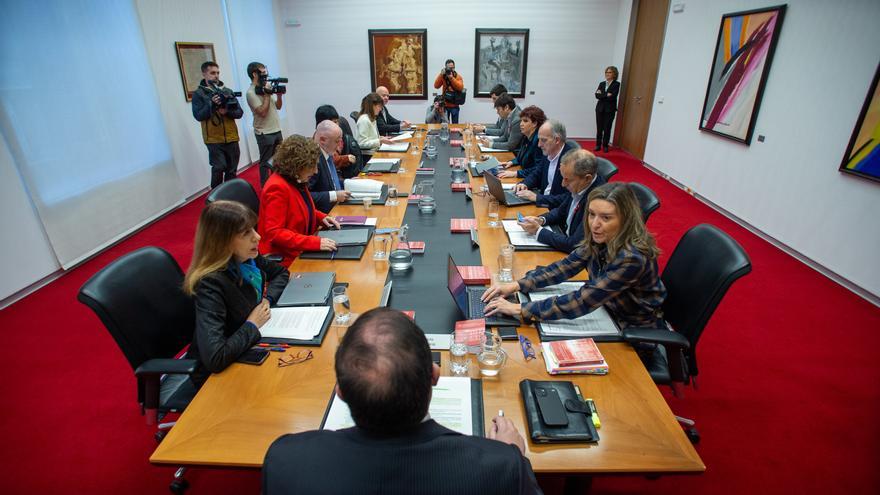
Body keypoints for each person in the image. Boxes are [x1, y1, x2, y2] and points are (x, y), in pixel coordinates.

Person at [263, 307, 542, 495]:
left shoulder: (284, 459)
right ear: (435, 375)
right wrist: (515, 458)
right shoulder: (502, 467)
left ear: (340, 392)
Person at [482, 182, 666, 329]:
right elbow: (563, 268)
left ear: (626, 219)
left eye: (606, 217)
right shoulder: (602, 238)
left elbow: (583, 300)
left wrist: (519, 308)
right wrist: (515, 285)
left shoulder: (631, 258)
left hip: (630, 329)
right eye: (592, 214)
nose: (595, 224)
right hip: (605, 309)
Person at [183, 200, 290, 387]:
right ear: (223, 242)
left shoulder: (247, 259)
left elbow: (281, 272)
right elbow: (216, 358)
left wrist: (267, 299)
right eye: (246, 233)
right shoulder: (210, 284)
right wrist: (252, 324)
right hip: (218, 377)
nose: (257, 237)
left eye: (253, 229)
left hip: (249, 347)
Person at [257, 134, 341, 267]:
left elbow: (303, 207)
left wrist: (320, 217)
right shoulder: (277, 187)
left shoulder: (296, 179)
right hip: (285, 256)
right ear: (297, 166)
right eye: (312, 166)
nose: (315, 171)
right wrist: (314, 243)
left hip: (301, 245)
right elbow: (275, 233)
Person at [517, 149, 606, 253]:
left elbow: (575, 244)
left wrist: (538, 231)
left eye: (567, 179)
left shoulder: (598, 201)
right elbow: (561, 211)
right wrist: (541, 220)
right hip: (563, 237)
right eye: (563, 178)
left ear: (587, 178)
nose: (563, 184)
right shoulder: (580, 185)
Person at [191, 61, 244, 189]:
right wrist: (211, 103)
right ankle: (215, 200)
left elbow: (239, 112)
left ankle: (231, 197)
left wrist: (227, 111)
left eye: (218, 73)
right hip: (214, 139)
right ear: (204, 74)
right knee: (219, 167)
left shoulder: (227, 91)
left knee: (231, 170)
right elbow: (198, 116)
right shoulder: (199, 94)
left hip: (231, 137)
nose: (216, 76)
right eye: (212, 73)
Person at [514, 120, 577, 209]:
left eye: (543, 140)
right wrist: (525, 184)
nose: (539, 145)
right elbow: (537, 174)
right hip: (543, 202)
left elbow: (568, 197)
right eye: (539, 140)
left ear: (557, 140)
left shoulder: (571, 161)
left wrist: (538, 198)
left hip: (554, 209)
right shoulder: (549, 152)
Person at [245, 62, 284, 186]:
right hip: (264, 132)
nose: (266, 75)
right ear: (254, 74)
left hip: (276, 129)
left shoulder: (264, 87)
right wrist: (267, 94)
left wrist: (279, 96)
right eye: (262, 72)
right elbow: (262, 112)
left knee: (278, 160)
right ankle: (265, 185)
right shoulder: (251, 93)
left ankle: (277, 182)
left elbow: (278, 106)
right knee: (265, 161)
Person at [309, 120, 352, 213]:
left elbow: (332, 182)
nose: (338, 147)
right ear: (322, 140)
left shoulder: (327, 152)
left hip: (337, 207)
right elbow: (305, 196)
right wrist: (334, 195)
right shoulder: (312, 160)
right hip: (326, 213)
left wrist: (348, 182)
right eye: (336, 142)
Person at [314, 104, 363, 179]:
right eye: (334, 122)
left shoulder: (336, 136)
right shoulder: (319, 146)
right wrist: (345, 158)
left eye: (337, 121)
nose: (337, 125)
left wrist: (347, 182)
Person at [498, 105, 547, 179]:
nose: (521, 124)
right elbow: (521, 156)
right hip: (524, 173)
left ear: (535, 123)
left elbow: (538, 169)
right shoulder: (526, 136)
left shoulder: (538, 141)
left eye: (525, 121)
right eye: (521, 120)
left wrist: (516, 173)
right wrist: (511, 162)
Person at [355, 92, 394, 159]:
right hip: (368, 156)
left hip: (374, 152)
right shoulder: (364, 120)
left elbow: (372, 137)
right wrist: (380, 141)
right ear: (372, 106)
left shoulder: (372, 118)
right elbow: (361, 143)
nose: (380, 109)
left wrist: (381, 138)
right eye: (379, 106)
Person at [594, 66, 620, 153]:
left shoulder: (616, 84)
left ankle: (605, 145)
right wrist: (606, 94)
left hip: (610, 110)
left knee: (607, 128)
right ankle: (598, 144)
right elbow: (597, 95)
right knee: (599, 128)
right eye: (606, 72)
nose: (607, 74)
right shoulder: (602, 83)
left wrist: (602, 95)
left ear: (614, 74)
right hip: (600, 109)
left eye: (609, 72)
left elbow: (613, 96)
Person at [433, 59, 465, 123]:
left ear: (454, 67)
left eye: (452, 68)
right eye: (449, 68)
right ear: (445, 68)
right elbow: (436, 86)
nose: (451, 69)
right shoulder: (443, 76)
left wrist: (451, 78)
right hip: (445, 105)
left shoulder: (458, 77)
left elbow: (460, 88)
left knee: (455, 125)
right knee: (445, 124)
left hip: (455, 105)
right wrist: (440, 75)